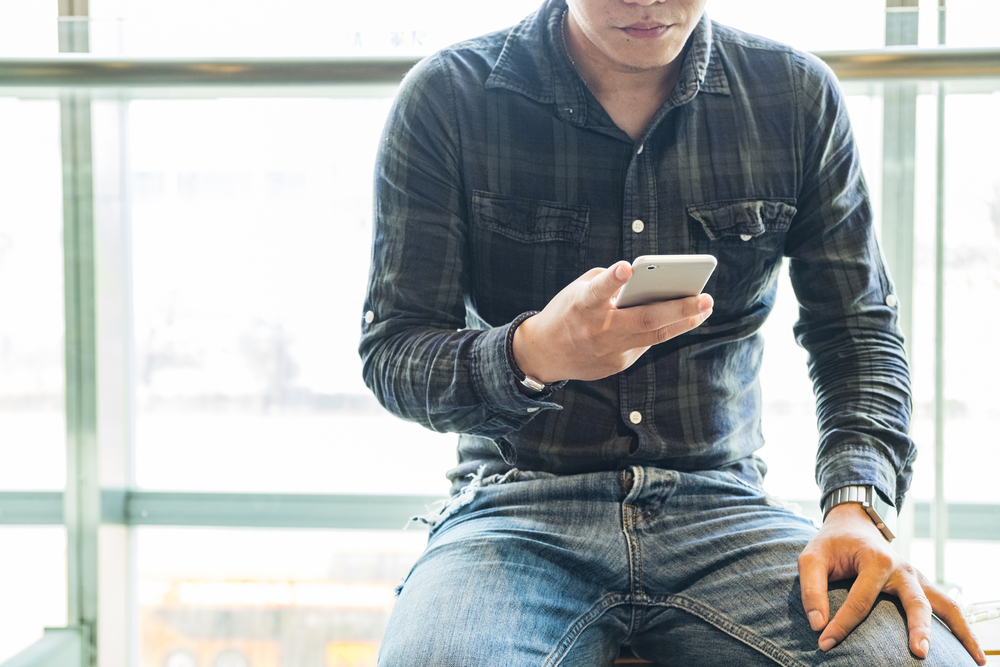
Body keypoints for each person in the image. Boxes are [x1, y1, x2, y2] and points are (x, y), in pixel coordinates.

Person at [358, 0, 986, 664]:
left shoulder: (793, 94)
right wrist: (534, 351)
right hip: (516, 508)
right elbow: (394, 351)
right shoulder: (449, 97)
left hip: (723, 507)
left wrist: (857, 506)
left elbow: (857, 330)